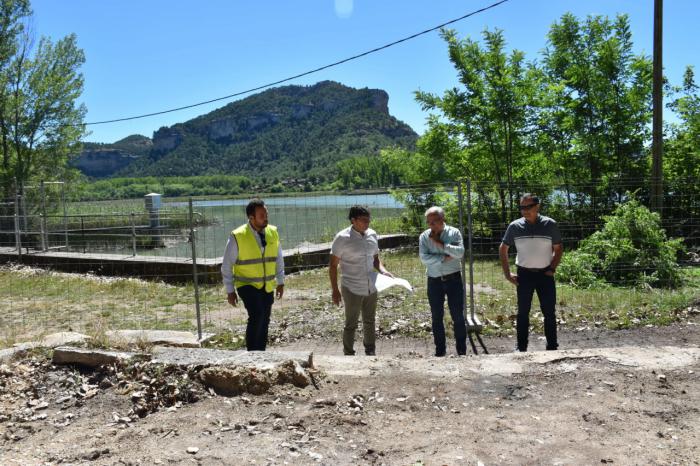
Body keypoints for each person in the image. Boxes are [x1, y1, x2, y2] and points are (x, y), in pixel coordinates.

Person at [499, 194, 563, 352]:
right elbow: (503, 248)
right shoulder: (514, 226)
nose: (525, 211)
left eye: (528, 207)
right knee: (522, 312)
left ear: (537, 206)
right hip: (524, 275)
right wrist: (507, 274)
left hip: (545, 275)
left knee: (549, 312)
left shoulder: (550, 224)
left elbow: (559, 248)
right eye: (522, 207)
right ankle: (521, 348)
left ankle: (552, 346)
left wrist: (552, 268)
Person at [329, 205, 393, 356]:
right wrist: (335, 290)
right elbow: (332, 266)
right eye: (363, 220)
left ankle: (370, 351)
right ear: (353, 220)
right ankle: (349, 353)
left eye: (368, 220)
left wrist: (384, 271)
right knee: (351, 324)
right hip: (351, 287)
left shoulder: (372, 234)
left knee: (369, 321)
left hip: (371, 286)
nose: (367, 223)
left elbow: (376, 260)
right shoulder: (342, 238)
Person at [221, 199, 284, 351]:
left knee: (265, 320)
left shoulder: (272, 232)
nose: (266, 217)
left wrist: (280, 281)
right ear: (251, 218)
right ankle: (252, 354)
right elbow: (226, 266)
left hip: (267, 284)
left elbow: (278, 258)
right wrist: (230, 291)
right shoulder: (237, 236)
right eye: (262, 215)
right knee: (257, 315)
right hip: (246, 285)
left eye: (266, 214)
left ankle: (261, 353)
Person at [418, 206, 468, 357]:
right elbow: (424, 259)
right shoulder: (424, 237)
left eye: (433, 222)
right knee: (436, 316)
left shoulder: (454, 233)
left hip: (454, 280)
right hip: (434, 282)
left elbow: (460, 253)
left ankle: (461, 350)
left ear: (442, 219)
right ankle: (440, 351)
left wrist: (441, 245)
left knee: (458, 316)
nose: (430, 225)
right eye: (428, 222)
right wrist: (444, 258)